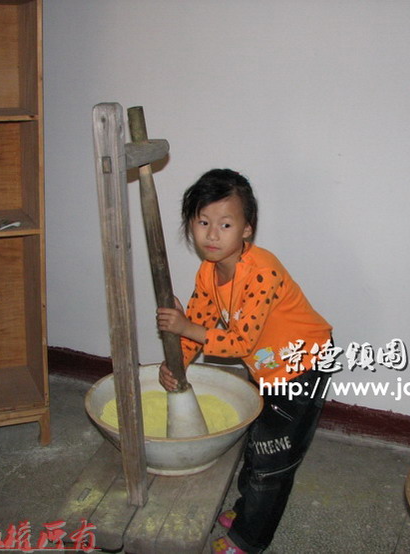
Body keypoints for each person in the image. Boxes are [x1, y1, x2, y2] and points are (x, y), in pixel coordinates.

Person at [156, 168, 333, 553]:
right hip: (268, 367)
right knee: (257, 443)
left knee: (273, 457)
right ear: (190, 224)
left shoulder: (262, 272)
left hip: (303, 366)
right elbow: (199, 321)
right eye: (203, 222)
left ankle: (249, 539)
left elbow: (238, 342)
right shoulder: (208, 273)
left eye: (225, 224)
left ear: (246, 229)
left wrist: (185, 327)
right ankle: (246, 509)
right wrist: (177, 364)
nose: (212, 234)